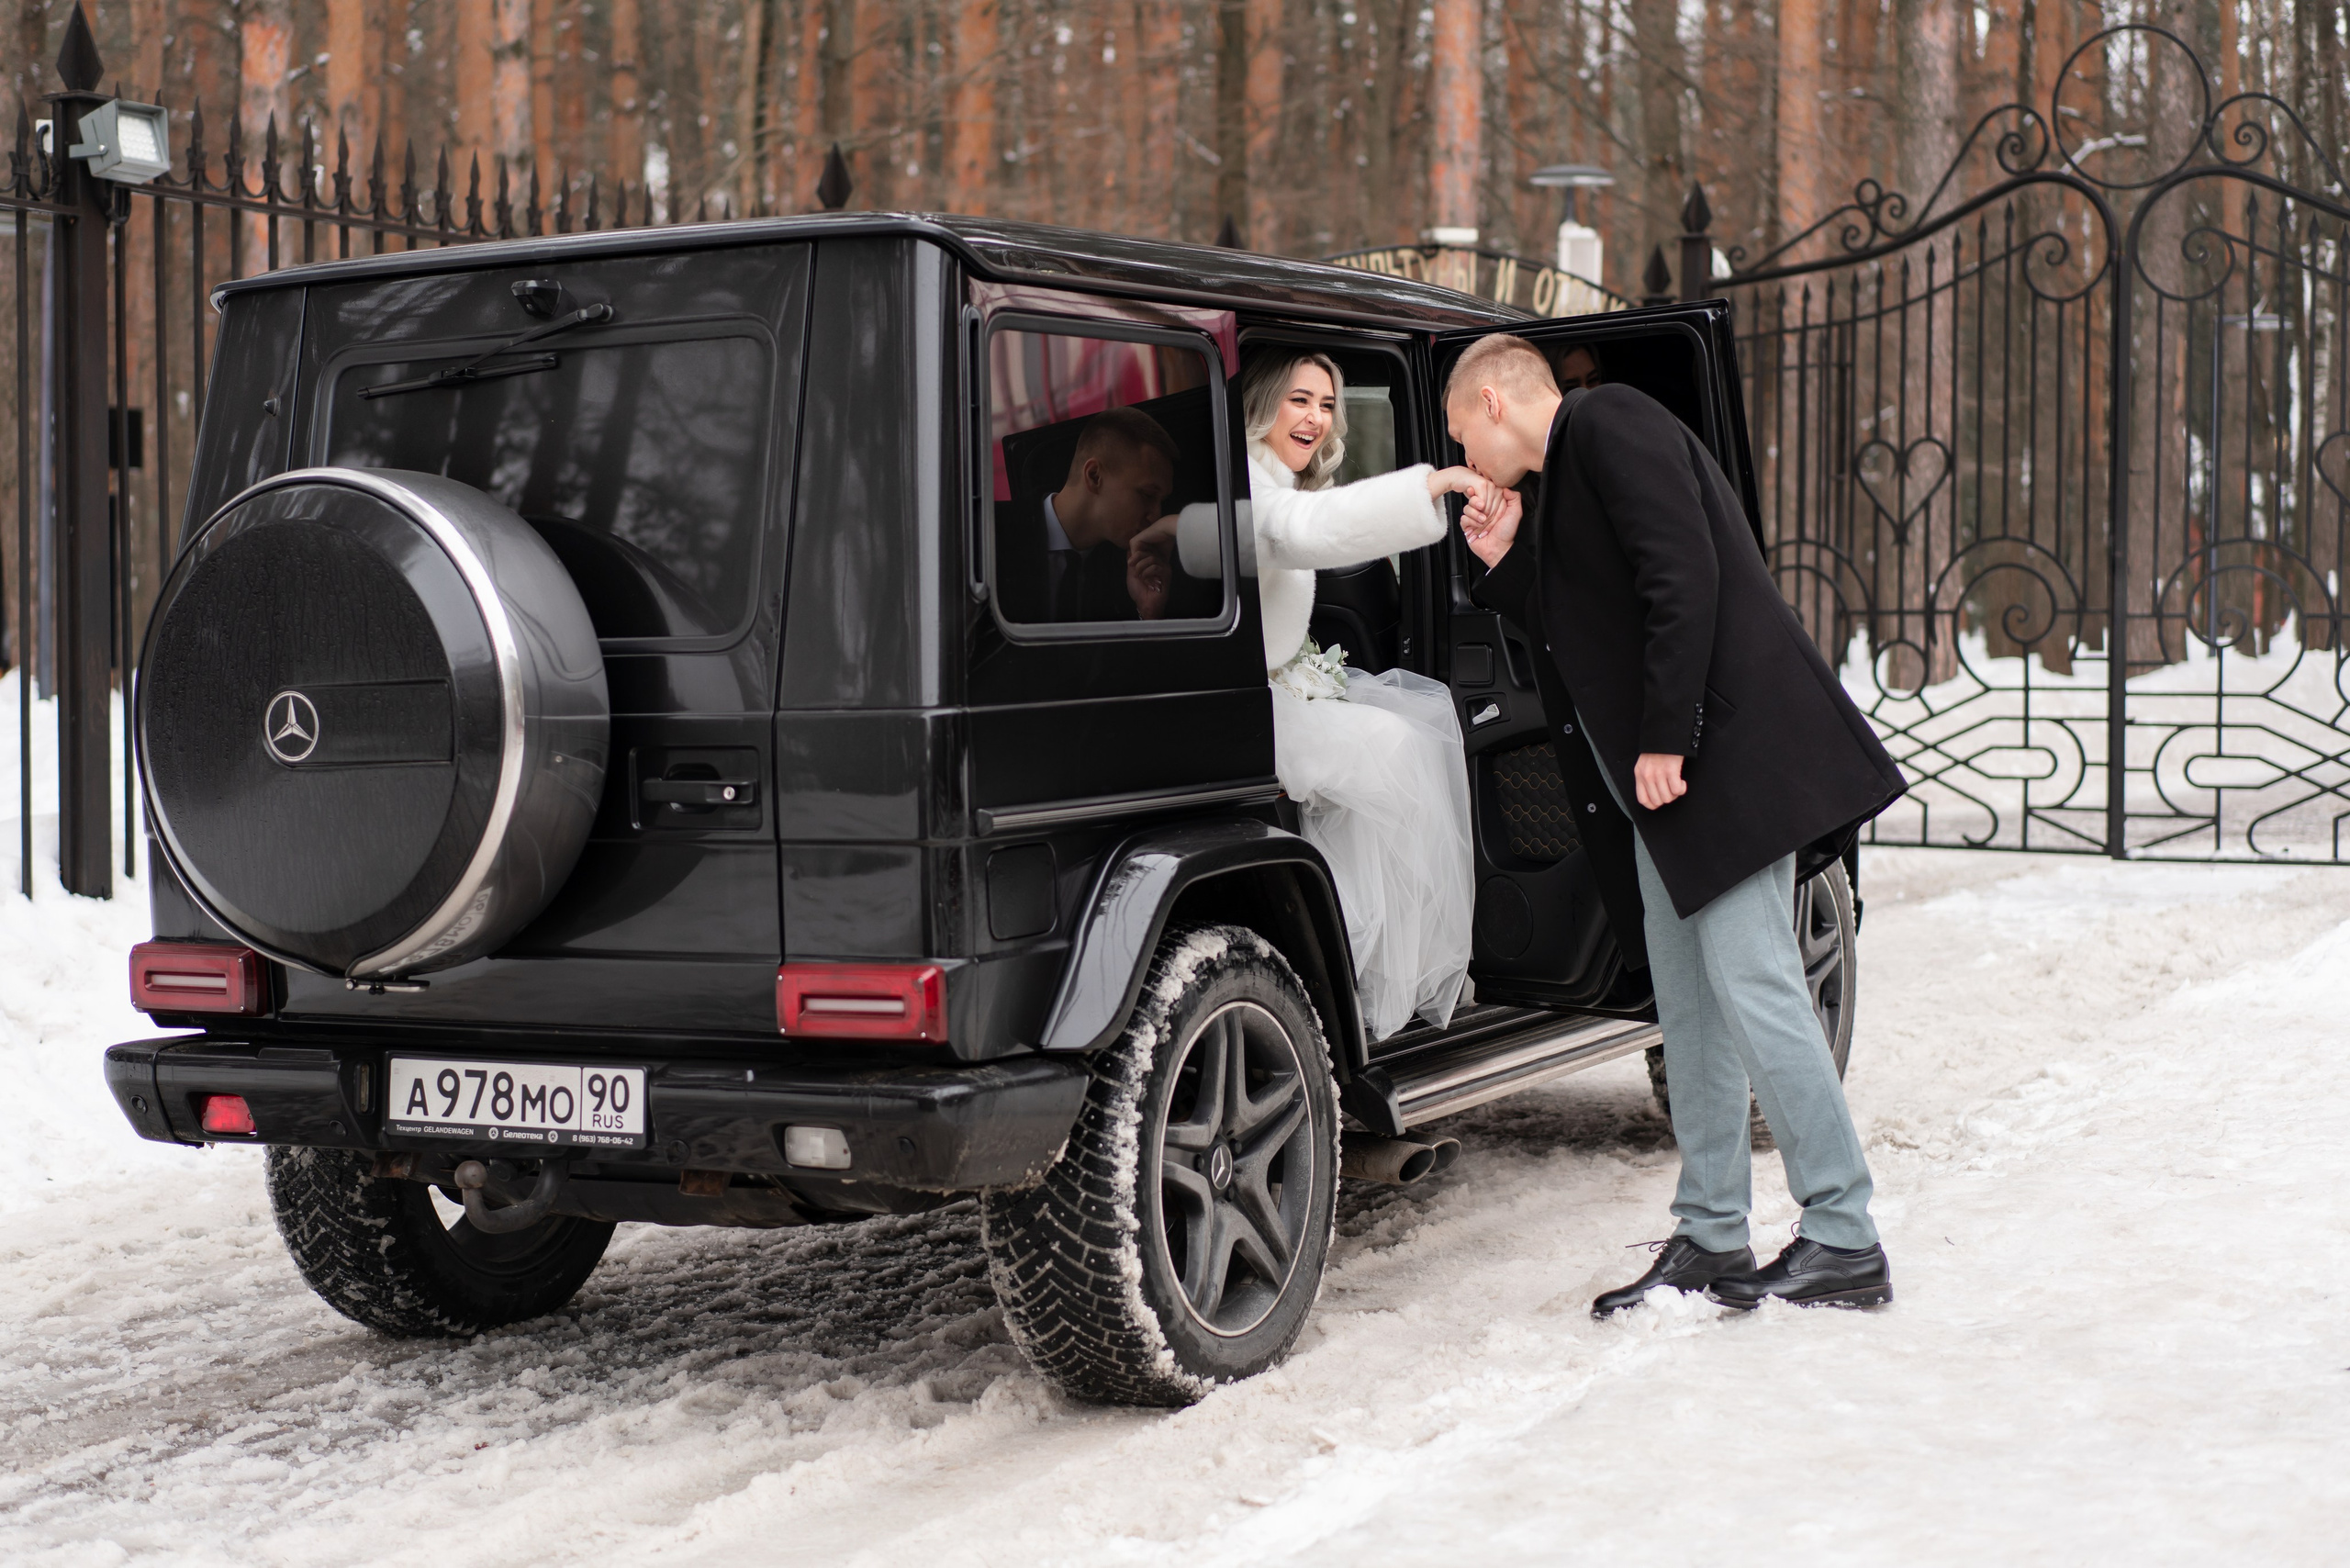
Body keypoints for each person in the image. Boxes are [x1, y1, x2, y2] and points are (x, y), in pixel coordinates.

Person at [1443, 332, 1908, 1314]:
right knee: (1691, 1000)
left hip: (1713, 768)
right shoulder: (1563, 477)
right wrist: (1503, 557)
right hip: (1665, 789)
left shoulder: (1609, 422)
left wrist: (1667, 736)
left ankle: (1842, 1231)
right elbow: (1587, 628)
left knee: (1756, 982)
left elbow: (1679, 576)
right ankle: (1710, 1234)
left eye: (1458, 436)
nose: (1466, 466)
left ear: (1491, 400)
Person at [1152, 351, 1488, 1039]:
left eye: (1329, 404)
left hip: (1270, 692)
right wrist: (1432, 487)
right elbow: (1301, 531)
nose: (1316, 417)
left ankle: (1356, 973)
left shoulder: (1265, 477)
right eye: (1299, 399)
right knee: (1398, 743)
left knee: (1394, 731)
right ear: (1262, 403)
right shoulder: (1245, 479)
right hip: (1243, 706)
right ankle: (1359, 982)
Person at [996, 407, 1178, 623]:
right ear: (1094, 476)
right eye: (1147, 495)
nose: (1156, 515)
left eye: (1161, 501)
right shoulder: (988, 536)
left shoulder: (1132, 569)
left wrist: (1148, 612)